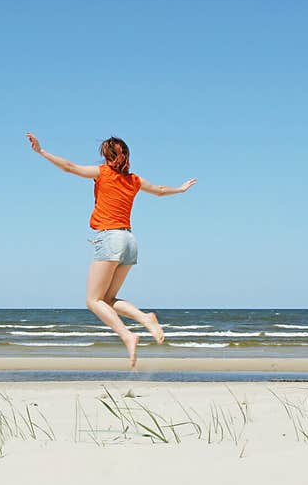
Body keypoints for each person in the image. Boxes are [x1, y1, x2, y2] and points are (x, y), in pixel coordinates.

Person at [26, 133, 197, 367]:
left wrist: (42, 152)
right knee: (107, 298)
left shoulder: (103, 173)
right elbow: (158, 190)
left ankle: (127, 335)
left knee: (93, 301)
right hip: (129, 240)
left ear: (107, 157)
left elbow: (69, 167)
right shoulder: (134, 180)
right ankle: (146, 318)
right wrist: (180, 189)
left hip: (110, 238)